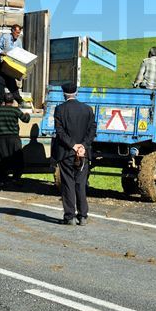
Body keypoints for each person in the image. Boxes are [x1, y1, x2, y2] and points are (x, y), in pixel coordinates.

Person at [53, 83, 96, 225]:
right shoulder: (88, 110)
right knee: (81, 183)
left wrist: (73, 145)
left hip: (66, 152)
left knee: (68, 183)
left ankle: (70, 216)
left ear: (63, 93)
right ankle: (83, 216)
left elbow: (60, 132)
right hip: (83, 153)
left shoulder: (60, 110)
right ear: (77, 92)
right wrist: (82, 146)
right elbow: (92, 131)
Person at [0, 92, 30, 185]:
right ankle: (16, 178)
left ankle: (3, 179)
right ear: (12, 101)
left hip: (1, 139)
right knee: (18, 159)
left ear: (3, 101)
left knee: (2, 159)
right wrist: (28, 114)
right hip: (14, 138)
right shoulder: (15, 110)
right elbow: (26, 120)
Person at [0, 24, 24, 105]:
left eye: (19, 33)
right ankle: (0, 103)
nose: (18, 34)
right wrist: (4, 53)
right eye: (16, 32)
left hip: (9, 66)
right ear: (12, 31)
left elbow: (21, 52)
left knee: (12, 83)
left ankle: (20, 101)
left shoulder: (19, 42)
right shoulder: (5, 37)